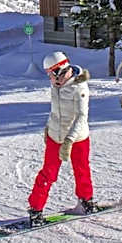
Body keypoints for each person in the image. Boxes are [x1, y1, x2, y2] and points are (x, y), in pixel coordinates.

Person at [27, 51, 98, 227]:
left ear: (59, 71)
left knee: (81, 169)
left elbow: (81, 117)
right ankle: (36, 210)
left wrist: (69, 140)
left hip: (78, 138)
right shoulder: (56, 85)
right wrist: (48, 127)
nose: (49, 78)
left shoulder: (79, 88)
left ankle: (86, 201)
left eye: (50, 74)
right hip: (55, 136)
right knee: (48, 173)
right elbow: (55, 111)